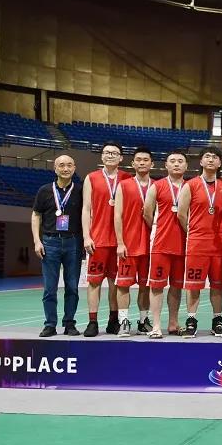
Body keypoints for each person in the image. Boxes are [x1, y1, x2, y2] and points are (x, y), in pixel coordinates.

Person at [81, 141, 132, 336]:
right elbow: (86, 209)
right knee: (94, 282)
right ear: (102, 156)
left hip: (120, 242)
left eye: (114, 153)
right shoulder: (92, 178)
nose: (110, 155)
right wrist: (86, 236)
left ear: (121, 158)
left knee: (116, 283)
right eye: (107, 152)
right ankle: (92, 322)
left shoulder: (127, 178)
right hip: (98, 240)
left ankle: (113, 321)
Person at [177, 147, 222, 338]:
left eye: (215, 157)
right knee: (193, 285)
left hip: (219, 244)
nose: (211, 159)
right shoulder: (190, 185)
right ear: (201, 162)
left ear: (220, 163)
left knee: (217, 285)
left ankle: (217, 320)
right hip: (197, 244)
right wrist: (193, 232)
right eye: (207, 156)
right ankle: (191, 320)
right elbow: (181, 214)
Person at [31, 154, 82, 337]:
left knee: (72, 287)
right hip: (50, 242)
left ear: (74, 168)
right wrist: (37, 241)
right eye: (61, 165)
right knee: (49, 288)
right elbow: (36, 215)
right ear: (55, 168)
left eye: (69, 165)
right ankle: (50, 324)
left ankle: (69, 323)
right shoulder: (44, 190)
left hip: (73, 243)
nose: (65, 168)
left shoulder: (80, 190)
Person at [144, 149, 187, 338]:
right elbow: (147, 212)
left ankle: (173, 324)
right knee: (157, 285)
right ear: (166, 165)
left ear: (186, 166)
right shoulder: (157, 186)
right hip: (160, 244)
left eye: (180, 161)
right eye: (173, 161)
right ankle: (156, 326)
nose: (176, 164)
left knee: (177, 286)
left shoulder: (191, 186)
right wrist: (158, 228)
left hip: (183, 245)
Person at [113, 147, 153, 336]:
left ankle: (144, 321)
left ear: (152, 164)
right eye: (138, 159)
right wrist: (120, 242)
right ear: (133, 163)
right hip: (128, 246)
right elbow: (117, 215)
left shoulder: (157, 186)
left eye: (146, 159)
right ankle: (124, 321)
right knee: (123, 285)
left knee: (146, 286)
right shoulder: (124, 185)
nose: (142, 162)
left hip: (150, 246)